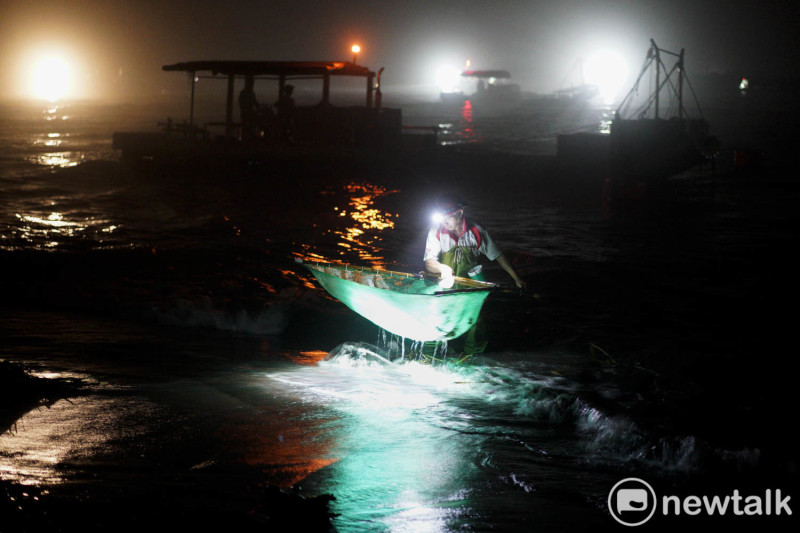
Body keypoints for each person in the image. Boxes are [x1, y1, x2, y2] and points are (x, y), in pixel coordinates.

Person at [423, 193, 526, 356]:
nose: (445, 221)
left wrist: (517, 278)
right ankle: (431, 354)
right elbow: (429, 262)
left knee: (476, 320)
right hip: (445, 285)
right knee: (438, 318)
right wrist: (441, 268)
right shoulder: (437, 231)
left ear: (460, 213)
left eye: (448, 217)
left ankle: (472, 355)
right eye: (442, 217)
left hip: (470, 286)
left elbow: (498, 255)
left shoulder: (477, 231)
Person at [238, 75, 260, 141]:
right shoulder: (244, 93)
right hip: (246, 114)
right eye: (251, 83)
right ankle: (247, 140)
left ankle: (249, 139)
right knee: (247, 128)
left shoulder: (251, 93)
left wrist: (257, 105)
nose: (252, 85)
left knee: (249, 128)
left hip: (249, 114)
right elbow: (243, 104)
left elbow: (255, 102)